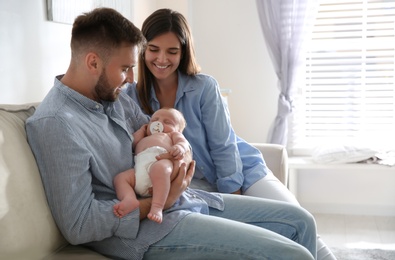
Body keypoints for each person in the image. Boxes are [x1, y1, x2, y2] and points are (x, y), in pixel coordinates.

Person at [26, 7, 317, 260]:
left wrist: (182, 150)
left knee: (301, 222)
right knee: (293, 255)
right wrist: (158, 202)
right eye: (125, 68)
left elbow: (160, 132)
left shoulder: (113, 98)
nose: (130, 78)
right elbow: (79, 224)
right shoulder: (55, 123)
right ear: (93, 62)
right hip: (147, 229)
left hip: (182, 199)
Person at [126, 8, 336, 260]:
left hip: (243, 171)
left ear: (183, 53)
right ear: (143, 49)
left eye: (172, 51)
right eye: (154, 49)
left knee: (300, 221)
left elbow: (223, 146)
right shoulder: (130, 97)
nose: (162, 59)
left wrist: (232, 194)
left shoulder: (204, 87)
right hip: (193, 186)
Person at [113, 107, 191, 223]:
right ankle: (129, 198)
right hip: (140, 171)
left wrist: (179, 148)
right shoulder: (145, 136)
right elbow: (132, 144)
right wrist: (141, 131)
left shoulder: (172, 135)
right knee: (120, 178)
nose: (159, 123)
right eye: (155, 120)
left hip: (161, 162)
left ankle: (157, 206)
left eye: (167, 122)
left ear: (178, 129)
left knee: (159, 168)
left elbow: (183, 143)